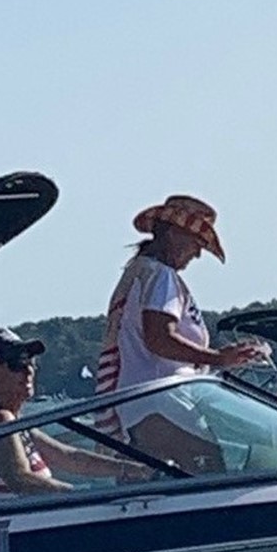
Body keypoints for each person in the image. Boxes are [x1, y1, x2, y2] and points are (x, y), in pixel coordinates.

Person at [91, 195, 265, 473]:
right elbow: (159, 338)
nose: (197, 254)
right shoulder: (161, 275)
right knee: (212, 473)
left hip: (135, 401)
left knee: (141, 484)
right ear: (173, 235)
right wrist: (219, 358)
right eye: (196, 243)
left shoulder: (137, 271)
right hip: (163, 398)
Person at [0, 328, 146, 499]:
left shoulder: (13, 425)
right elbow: (21, 480)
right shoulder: (0, 421)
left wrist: (136, 469)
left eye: (31, 361)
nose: (29, 370)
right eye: (17, 363)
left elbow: (71, 458)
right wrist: (85, 496)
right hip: (27, 528)